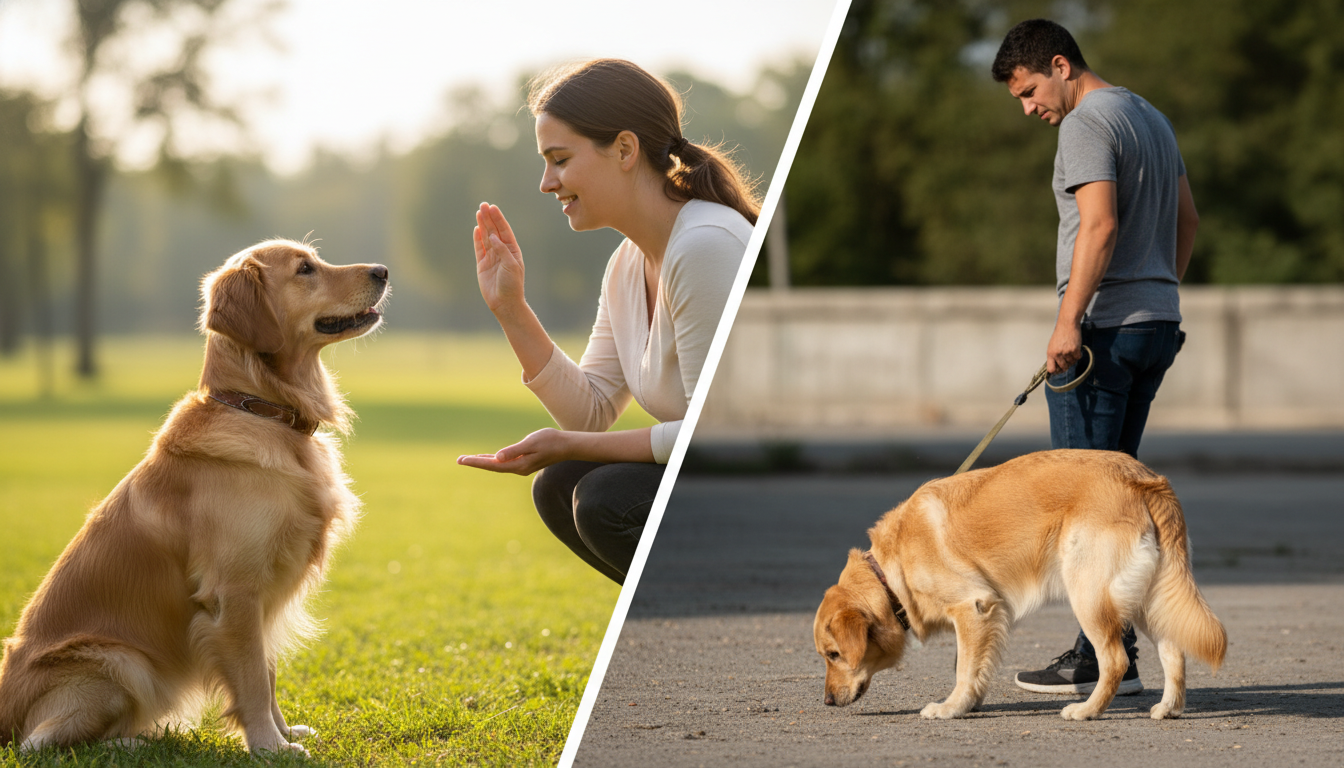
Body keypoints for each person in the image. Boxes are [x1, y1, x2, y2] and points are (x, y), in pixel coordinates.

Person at [456, 59, 758, 585]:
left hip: (755, 492)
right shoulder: (626, 264)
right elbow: (590, 412)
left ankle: (734, 598)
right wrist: (511, 308)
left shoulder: (705, 245)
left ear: (624, 149)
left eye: (560, 159)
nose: (546, 183)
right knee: (559, 484)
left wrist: (569, 444)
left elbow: (714, 438)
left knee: (604, 497)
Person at [990, 20, 1200, 695]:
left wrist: (1067, 321)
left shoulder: (1085, 123)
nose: (1029, 109)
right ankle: (1120, 650)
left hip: (1103, 333)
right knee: (1119, 498)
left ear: (1060, 65)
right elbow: (1188, 220)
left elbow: (1100, 224)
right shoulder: (1152, 118)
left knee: (1084, 505)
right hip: (1155, 325)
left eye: (1029, 91)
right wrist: (1160, 292)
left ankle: (1101, 655)